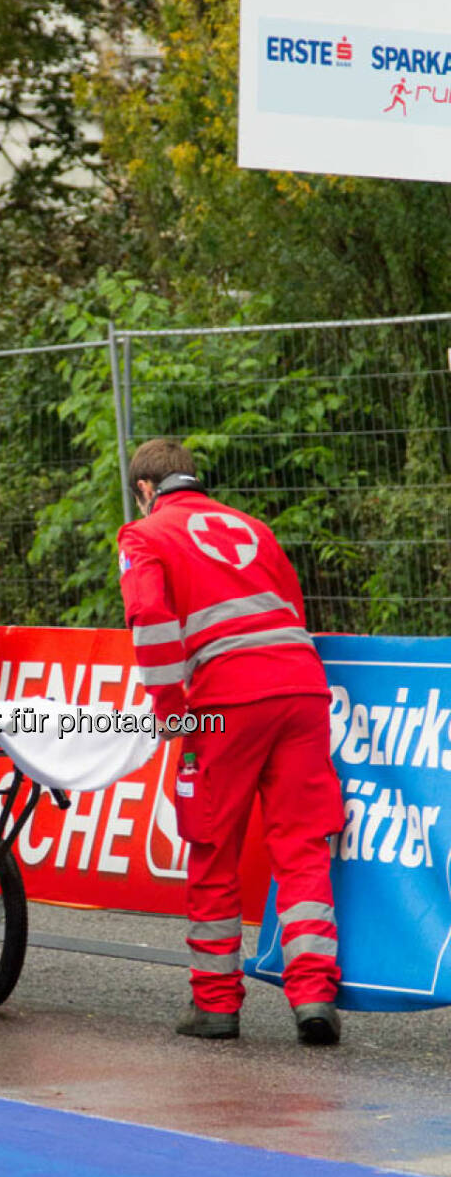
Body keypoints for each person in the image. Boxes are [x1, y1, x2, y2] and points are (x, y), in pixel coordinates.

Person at [117, 439, 344, 1045]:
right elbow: (292, 609)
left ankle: (216, 1005)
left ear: (145, 490)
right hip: (301, 688)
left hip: (224, 703)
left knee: (212, 845)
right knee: (301, 845)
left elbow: (154, 628)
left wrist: (172, 713)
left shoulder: (144, 536)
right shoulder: (253, 527)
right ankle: (315, 997)